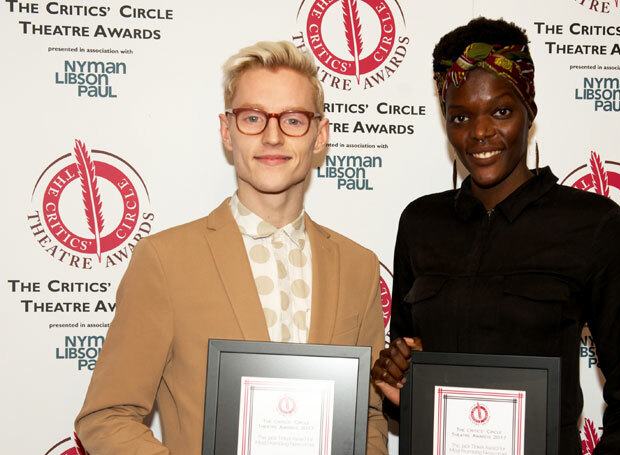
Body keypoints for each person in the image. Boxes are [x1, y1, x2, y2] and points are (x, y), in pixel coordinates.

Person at [75, 41, 388, 455]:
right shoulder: (165, 261)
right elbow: (107, 416)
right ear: (227, 131)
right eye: (253, 117)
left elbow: (366, 417)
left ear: (319, 135)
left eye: (293, 119)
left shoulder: (358, 266)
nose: (273, 136)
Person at [370, 17, 620, 455]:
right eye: (460, 116)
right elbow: (405, 394)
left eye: (501, 111)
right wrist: (395, 378)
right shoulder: (420, 223)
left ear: (530, 110)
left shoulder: (592, 225)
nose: (480, 133)